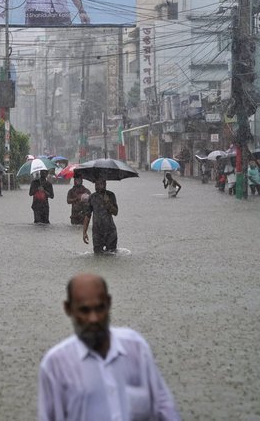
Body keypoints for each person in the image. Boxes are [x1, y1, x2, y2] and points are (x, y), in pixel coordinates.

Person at [38, 273, 181, 421]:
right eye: (84, 310)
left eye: (99, 308)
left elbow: (163, 405)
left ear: (109, 303)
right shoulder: (55, 365)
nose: (93, 319)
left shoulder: (136, 349)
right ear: (68, 309)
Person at [82, 178, 118, 253]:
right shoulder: (92, 197)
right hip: (97, 232)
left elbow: (115, 212)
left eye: (100, 184)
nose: (97, 186)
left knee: (111, 255)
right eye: (96, 184)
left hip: (110, 231)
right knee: (97, 256)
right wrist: (84, 232)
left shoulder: (111, 195)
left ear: (105, 184)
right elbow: (87, 216)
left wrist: (108, 203)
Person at [25, 0, 90, 26]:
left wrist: (82, 11)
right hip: (37, 11)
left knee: (66, 41)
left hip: (61, 12)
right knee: (38, 43)